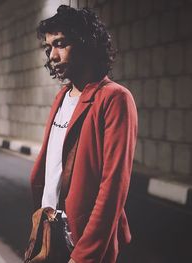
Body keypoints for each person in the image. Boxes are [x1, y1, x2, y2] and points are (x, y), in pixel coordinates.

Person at [30, 5, 138, 263]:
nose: (52, 56)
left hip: (82, 242)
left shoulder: (114, 99)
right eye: (49, 48)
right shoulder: (62, 97)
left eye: (61, 44)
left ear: (86, 44)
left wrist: (83, 257)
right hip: (50, 231)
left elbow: (113, 188)